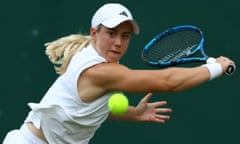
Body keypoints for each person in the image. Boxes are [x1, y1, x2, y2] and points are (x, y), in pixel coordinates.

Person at [3, 3, 235, 144]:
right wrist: (216, 68)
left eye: (125, 36)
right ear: (94, 33)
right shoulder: (101, 71)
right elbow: (168, 82)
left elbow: (81, 110)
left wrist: (133, 114)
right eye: (111, 33)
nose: (118, 43)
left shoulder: (90, 54)